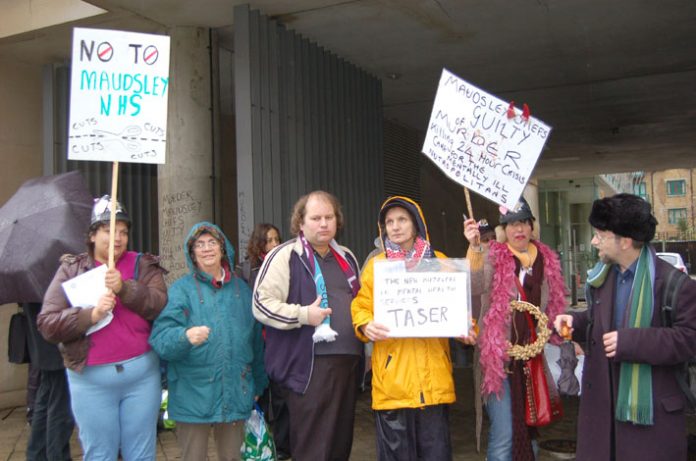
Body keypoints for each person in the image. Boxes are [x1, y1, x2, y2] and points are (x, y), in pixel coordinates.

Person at [554, 193, 696, 460]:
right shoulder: (603, 277)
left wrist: (631, 343)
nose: (594, 241)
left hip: (650, 422)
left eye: (601, 235)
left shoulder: (675, 284)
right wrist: (574, 322)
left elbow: (689, 339)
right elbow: (598, 322)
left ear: (626, 240)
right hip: (602, 418)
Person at [38, 195, 167, 460]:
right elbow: (47, 324)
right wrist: (90, 315)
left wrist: (125, 288)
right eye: (109, 230)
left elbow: (158, 304)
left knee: (142, 454)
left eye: (123, 231)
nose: (117, 238)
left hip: (141, 377)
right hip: (91, 381)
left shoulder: (142, 265)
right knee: (100, 454)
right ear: (93, 235)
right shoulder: (72, 269)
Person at [351, 196, 476, 461]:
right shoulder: (377, 267)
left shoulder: (441, 263)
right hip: (392, 386)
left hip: (434, 384)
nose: (395, 227)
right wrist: (364, 323)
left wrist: (466, 328)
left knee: (436, 455)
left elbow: (458, 310)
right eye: (389, 222)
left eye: (402, 220)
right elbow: (360, 305)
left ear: (416, 224)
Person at [253, 190, 362, 461]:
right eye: (315, 218)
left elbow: (362, 305)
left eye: (329, 217)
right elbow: (261, 303)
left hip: (347, 364)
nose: (323, 223)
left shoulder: (347, 257)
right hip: (308, 368)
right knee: (313, 448)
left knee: (339, 443)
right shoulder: (284, 255)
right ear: (300, 223)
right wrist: (302, 315)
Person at [150, 222, 267, 461]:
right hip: (192, 395)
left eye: (212, 243)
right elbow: (160, 339)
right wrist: (184, 337)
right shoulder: (180, 291)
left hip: (236, 391)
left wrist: (257, 383)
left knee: (232, 457)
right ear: (191, 253)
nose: (206, 249)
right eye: (199, 245)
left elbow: (256, 342)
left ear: (222, 249)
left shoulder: (242, 291)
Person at [464, 197, 568, 461]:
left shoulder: (547, 261)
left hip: (532, 362)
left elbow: (558, 308)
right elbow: (475, 286)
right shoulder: (493, 255)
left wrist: (568, 338)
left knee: (531, 432)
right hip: (498, 362)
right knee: (504, 435)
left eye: (523, 223)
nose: (518, 229)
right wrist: (475, 248)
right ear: (503, 230)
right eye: (512, 224)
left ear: (532, 227)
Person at [236, 222, 291, 460]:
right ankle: (257, 443)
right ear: (258, 243)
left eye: (277, 239)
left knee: (280, 396)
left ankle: (283, 446)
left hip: (280, 340)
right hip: (256, 341)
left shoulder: (287, 265)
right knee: (259, 392)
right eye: (268, 240)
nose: (274, 245)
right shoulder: (245, 269)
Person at [24, 301, 74, 461]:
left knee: (46, 397)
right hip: (55, 333)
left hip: (43, 335)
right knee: (61, 404)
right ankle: (57, 456)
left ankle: (37, 454)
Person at [237, 223, 282, 288]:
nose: (275, 244)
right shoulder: (244, 270)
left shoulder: (285, 265)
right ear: (259, 243)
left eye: (277, 239)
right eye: (269, 241)